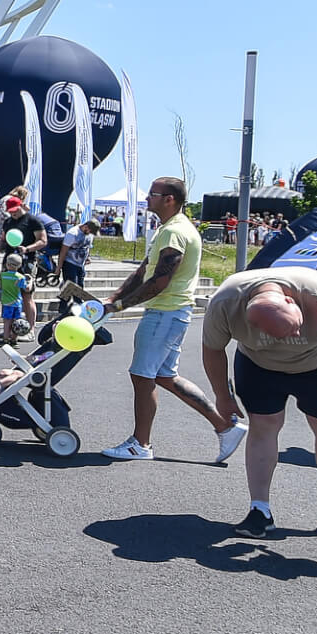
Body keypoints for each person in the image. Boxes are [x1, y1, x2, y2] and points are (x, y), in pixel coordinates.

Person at [201, 266, 317, 538]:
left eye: (294, 329)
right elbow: (213, 349)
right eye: (281, 335)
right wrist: (223, 396)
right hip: (258, 364)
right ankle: (260, 510)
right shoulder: (226, 303)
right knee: (263, 426)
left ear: (291, 302)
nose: (291, 338)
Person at [100, 175, 240, 461]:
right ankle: (225, 426)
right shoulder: (169, 229)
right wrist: (113, 298)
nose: (147, 197)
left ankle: (141, 444)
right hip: (173, 312)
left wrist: (121, 306)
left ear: (170, 199)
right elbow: (144, 271)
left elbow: (161, 280)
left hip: (165, 311)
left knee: (142, 376)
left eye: (153, 193)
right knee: (166, 376)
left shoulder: (174, 232)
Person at [0, 252, 29, 346]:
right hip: (17, 302)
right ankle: (14, 339)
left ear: (7, 264)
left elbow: (0, 286)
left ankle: (5, 338)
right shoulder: (20, 277)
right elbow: (26, 288)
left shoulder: (2, 275)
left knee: (7, 321)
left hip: (6, 302)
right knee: (17, 322)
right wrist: (30, 281)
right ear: (19, 266)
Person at [61, 220, 95, 290]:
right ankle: (64, 300)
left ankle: (77, 300)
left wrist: (88, 257)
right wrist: (59, 267)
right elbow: (63, 251)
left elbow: (87, 246)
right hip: (70, 263)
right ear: (85, 227)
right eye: (90, 231)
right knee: (71, 285)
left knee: (80, 286)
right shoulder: (72, 233)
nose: (90, 234)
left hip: (81, 264)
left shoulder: (90, 234)